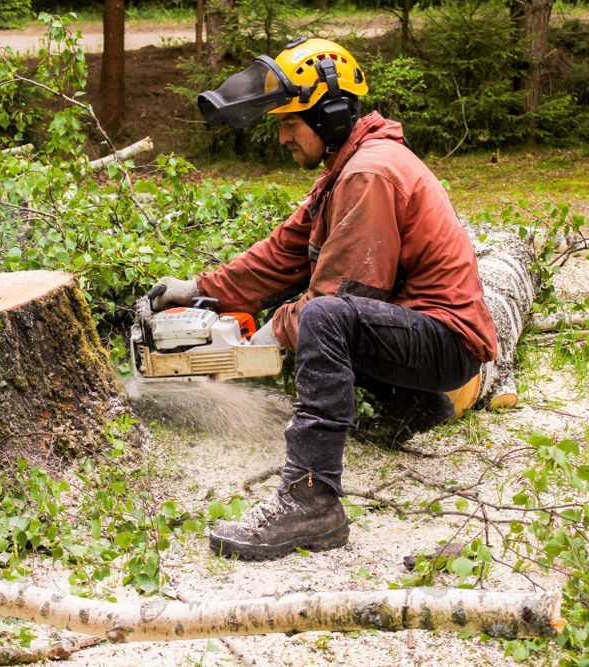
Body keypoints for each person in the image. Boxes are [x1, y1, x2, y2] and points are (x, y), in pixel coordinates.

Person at [148, 37, 498, 561]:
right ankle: (414, 405)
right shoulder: (345, 169)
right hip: (415, 328)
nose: (284, 137)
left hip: (446, 343)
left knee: (323, 316)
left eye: (291, 124)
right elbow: (281, 253)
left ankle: (311, 503)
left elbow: (343, 296)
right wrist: (200, 290)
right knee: (312, 309)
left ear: (331, 115)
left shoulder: (369, 172)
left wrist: (269, 335)